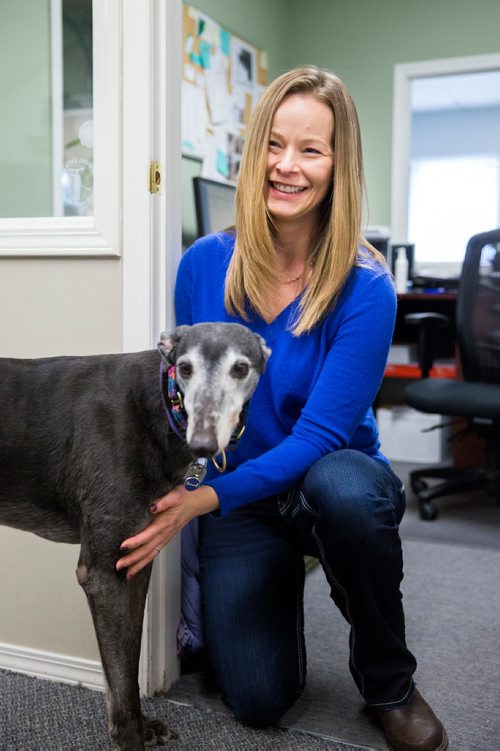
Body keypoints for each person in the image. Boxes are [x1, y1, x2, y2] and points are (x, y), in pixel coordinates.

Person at [116, 66, 448, 751]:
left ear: (339, 164)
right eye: (273, 143)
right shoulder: (202, 265)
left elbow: (321, 435)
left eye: (311, 149)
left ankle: (388, 678)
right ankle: (284, 580)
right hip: (246, 498)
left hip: (333, 473)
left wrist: (198, 505)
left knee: (344, 494)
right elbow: (190, 399)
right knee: (258, 699)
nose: (286, 165)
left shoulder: (366, 287)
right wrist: (175, 485)